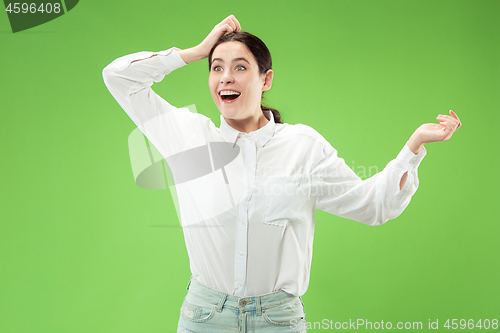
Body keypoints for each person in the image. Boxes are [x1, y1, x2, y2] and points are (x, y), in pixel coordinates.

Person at [102, 15, 461, 333]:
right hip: (204, 316)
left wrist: (413, 148)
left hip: (278, 320)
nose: (226, 77)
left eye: (240, 67)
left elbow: (373, 206)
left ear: (266, 79)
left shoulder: (303, 146)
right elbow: (118, 77)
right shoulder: (188, 136)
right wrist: (196, 51)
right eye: (216, 67)